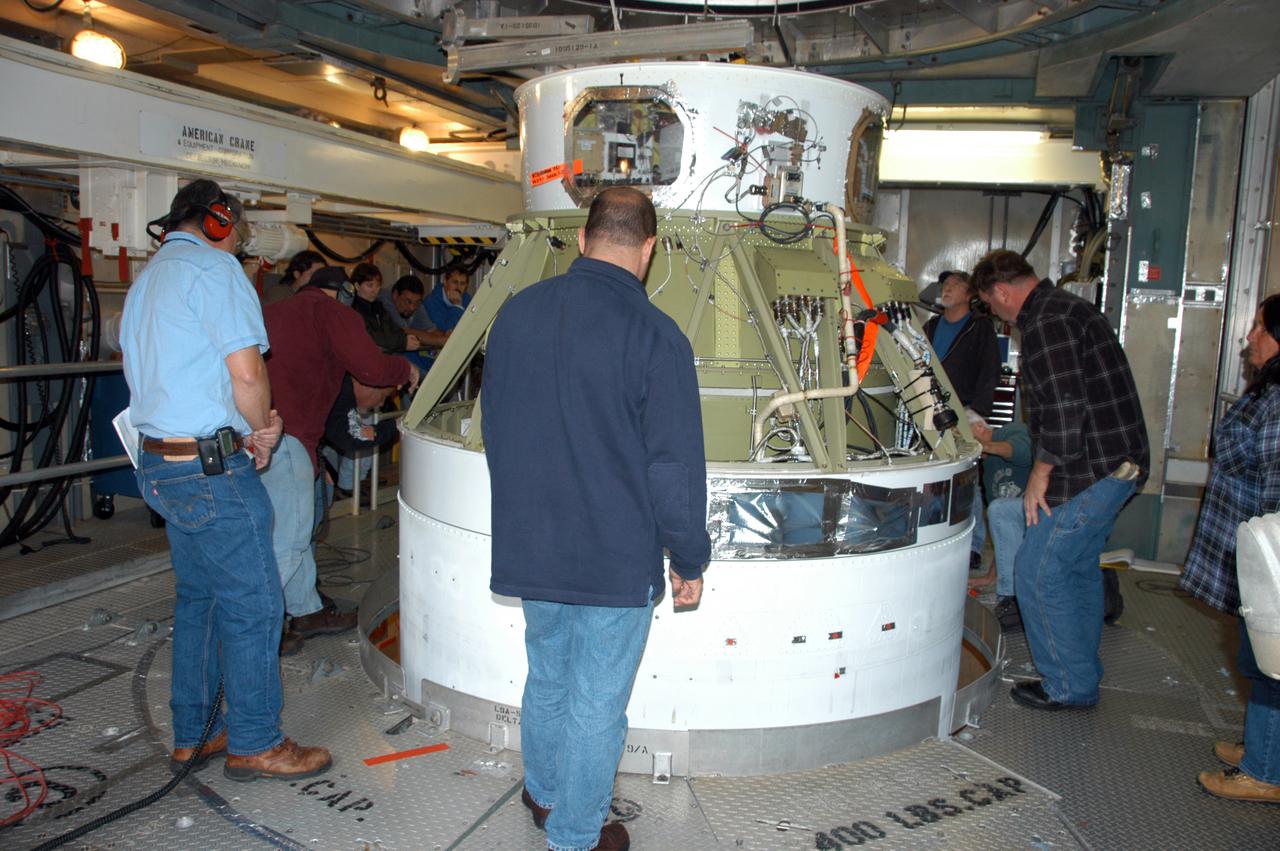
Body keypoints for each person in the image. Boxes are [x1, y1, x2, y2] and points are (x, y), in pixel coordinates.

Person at [481, 187, 710, 851]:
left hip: (534, 548)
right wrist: (688, 558)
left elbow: (496, 430)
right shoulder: (658, 337)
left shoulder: (516, 314)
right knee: (595, 702)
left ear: (582, 241)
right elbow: (673, 469)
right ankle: (576, 834)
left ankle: (544, 790)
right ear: (647, 251)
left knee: (548, 672)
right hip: (614, 557)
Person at [120, 179, 331, 781]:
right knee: (255, 604)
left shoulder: (146, 281)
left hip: (161, 466)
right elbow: (245, 373)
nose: (237, 242)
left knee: (199, 602)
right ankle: (256, 741)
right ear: (216, 222)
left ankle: (196, 734)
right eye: (235, 230)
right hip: (212, 469)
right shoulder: (215, 273)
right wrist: (262, 428)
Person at [972, 249, 1148, 712]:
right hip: (1116, 464)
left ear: (1003, 291)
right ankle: (1079, 674)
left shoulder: (1047, 322)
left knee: (1038, 572)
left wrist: (1038, 478)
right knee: (1076, 570)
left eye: (992, 305)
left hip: (1088, 468)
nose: (998, 316)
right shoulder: (1070, 309)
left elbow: (1064, 410)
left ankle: (1067, 685)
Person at [260, 265, 418, 654]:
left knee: (283, 533)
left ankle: (306, 611)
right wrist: (407, 369)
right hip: (288, 437)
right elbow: (371, 367)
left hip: (256, 435)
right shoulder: (331, 313)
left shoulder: (272, 311)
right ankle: (257, 627)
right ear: (344, 293)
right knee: (290, 541)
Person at [1181, 294, 1280, 804]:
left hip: (1273, 559)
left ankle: (1267, 771)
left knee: (1270, 661)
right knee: (1259, 658)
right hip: (1261, 555)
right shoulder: (1270, 391)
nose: (1249, 338)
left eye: (1260, 328)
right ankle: (1265, 749)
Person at [925, 270, 1001, 573]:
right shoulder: (930, 327)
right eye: (946, 284)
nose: (948, 287)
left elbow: (990, 371)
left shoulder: (979, 329)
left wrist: (976, 413)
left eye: (956, 284)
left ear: (970, 294)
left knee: (966, 475)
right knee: (931, 472)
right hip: (930, 410)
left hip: (965, 410)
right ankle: (932, 537)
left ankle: (972, 546)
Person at [971, 420, 1033, 627]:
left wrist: (986, 445)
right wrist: (991, 576)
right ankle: (1009, 592)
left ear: (980, 427)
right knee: (998, 510)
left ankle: (1011, 598)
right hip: (1027, 520)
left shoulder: (1010, 432)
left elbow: (1023, 451)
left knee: (998, 508)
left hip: (1046, 511)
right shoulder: (988, 468)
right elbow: (1004, 529)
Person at [380, 274, 449, 374]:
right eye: (408, 302)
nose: (412, 307)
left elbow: (431, 331)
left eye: (416, 303)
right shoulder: (384, 301)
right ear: (395, 295)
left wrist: (448, 338)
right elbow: (403, 331)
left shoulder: (414, 303)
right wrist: (441, 340)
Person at [424, 263, 473, 333]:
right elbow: (446, 330)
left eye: (462, 283)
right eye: (454, 282)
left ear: (466, 286)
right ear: (445, 281)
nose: (458, 287)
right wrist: (457, 306)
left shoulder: (468, 300)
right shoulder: (431, 302)